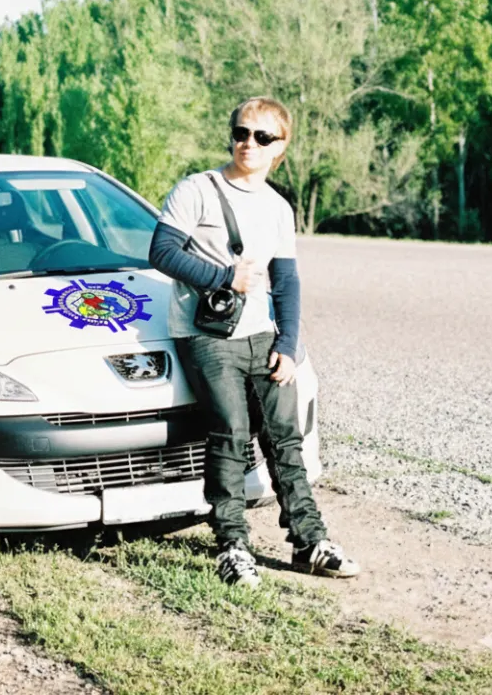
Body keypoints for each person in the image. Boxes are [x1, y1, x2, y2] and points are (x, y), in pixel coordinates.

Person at [148, 96, 360, 588]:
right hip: (204, 334)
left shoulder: (278, 209)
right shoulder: (196, 190)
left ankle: (311, 541)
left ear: (280, 148)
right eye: (242, 132)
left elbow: (286, 282)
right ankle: (233, 547)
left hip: (261, 335)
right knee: (229, 431)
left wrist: (287, 343)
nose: (249, 143)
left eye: (262, 137)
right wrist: (224, 276)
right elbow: (160, 251)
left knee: (285, 436)